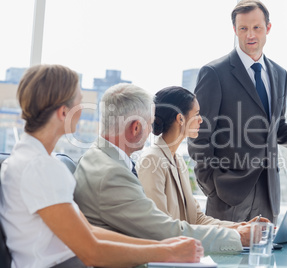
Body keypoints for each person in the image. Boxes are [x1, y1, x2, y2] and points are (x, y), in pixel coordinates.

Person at [0, 65, 203, 268]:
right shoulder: (40, 168)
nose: (80, 114)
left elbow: (88, 231)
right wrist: (165, 251)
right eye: (78, 105)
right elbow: (92, 252)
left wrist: (164, 247)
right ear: (63, 112)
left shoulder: (33, 158)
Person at [188, 0, 287, 224]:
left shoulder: (279, 74)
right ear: (235, 30)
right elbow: (198, 134)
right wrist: (211, 187)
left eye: (256, 27)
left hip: (268, 193)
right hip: (228, 194)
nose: (250, 34)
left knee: (264, 257)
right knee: (224, 257)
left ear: (268, 28)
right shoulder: (214, 73)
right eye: (243, 28)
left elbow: (276, 128)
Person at [73, 83, 253, 253]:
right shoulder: (113, 173)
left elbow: (192, 218)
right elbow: (162, 231)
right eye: (150, 122)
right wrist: (236, 237)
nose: (153, 129)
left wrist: (238, 228)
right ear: (136, 127)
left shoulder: (103, 159)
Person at [137, 86, 269, 226]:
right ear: (180, 119)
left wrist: (242, 227)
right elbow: (162, 226)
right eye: (197, 114)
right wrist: (237, 234)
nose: (201, 120)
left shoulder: (179, 161)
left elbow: (197, 219)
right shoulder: (152, 161)